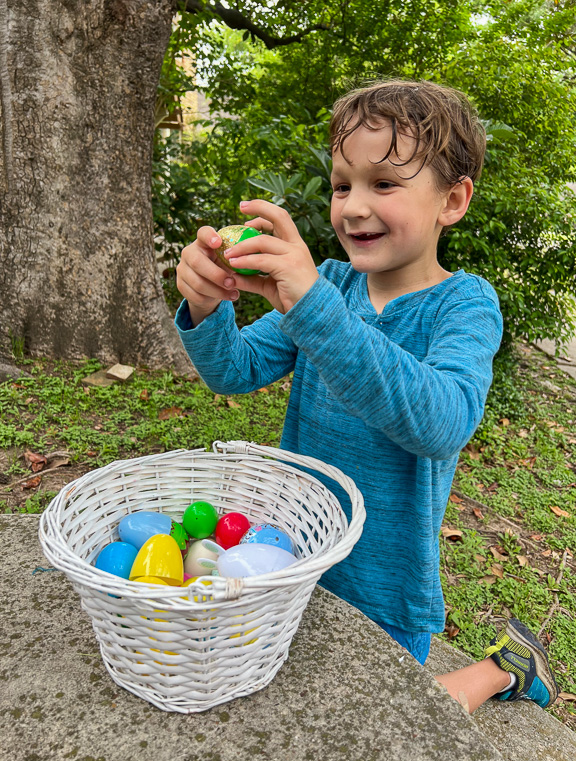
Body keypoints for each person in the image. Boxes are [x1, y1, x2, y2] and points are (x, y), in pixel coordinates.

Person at [174, 79, 558, 714]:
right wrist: (205, 303)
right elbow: (233, 370)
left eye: (384, 184)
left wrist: (316, 309)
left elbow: (443, 421)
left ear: (452, 200)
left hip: (385, 582)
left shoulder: (463, 304)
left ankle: (503, 667)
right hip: (293, 553)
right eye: (342, 184)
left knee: (391, 721)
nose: (352, 207)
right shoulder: (329, 286)